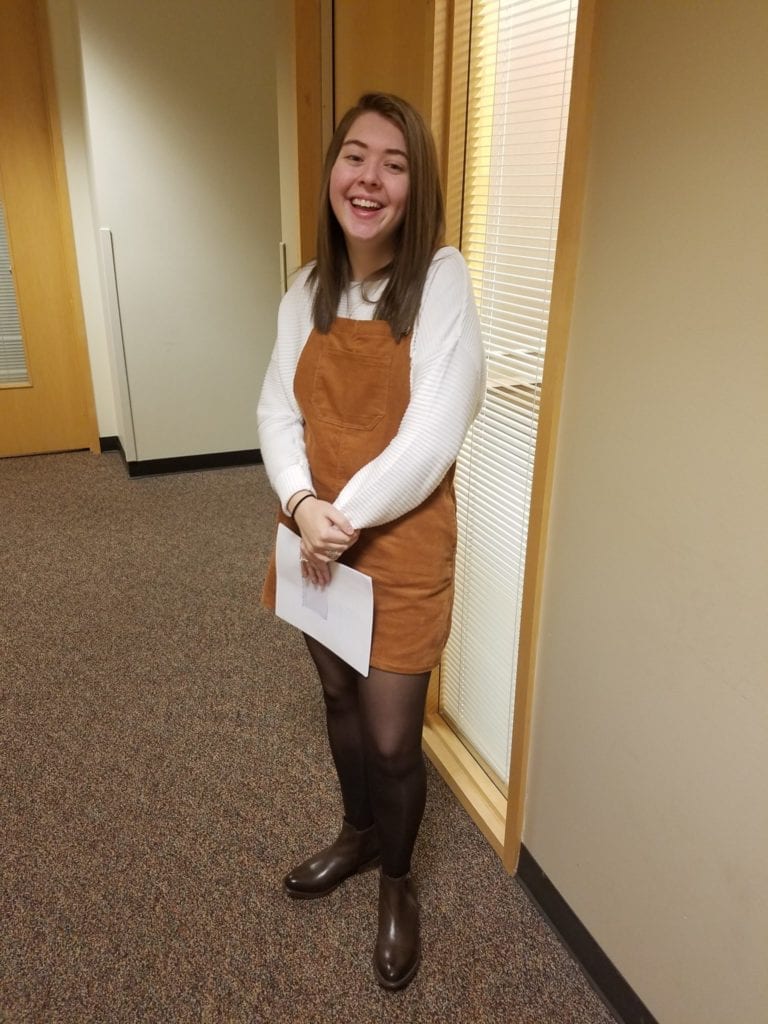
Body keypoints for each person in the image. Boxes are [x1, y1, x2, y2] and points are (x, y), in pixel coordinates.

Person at [257, 92, 484, 991]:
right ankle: (357, 834)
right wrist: (302, 503)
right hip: (315, 530)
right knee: (337, 699)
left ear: (414, 184)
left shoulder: (441, 278)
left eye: (394, 163)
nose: (370, 178)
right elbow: (277, 407)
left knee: (393, 738)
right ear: (331, 171)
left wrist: (335, 516)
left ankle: (398, 882)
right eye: (356, 156)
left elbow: (434, 432)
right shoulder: (306, 288)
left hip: (394, 537)